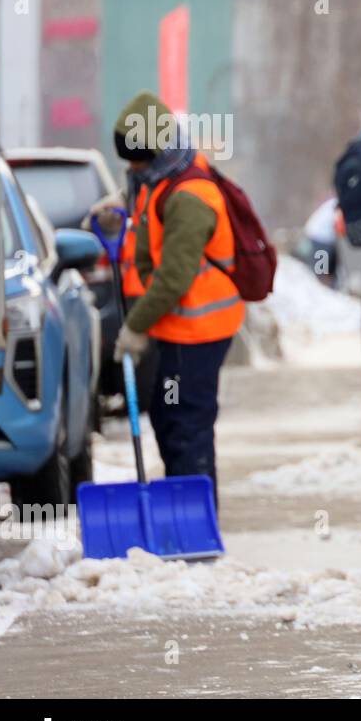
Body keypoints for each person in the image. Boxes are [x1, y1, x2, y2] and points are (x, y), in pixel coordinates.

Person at [107, 90, 244, 497]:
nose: (130, 168)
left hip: (200, 329)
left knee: (187, 425)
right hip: (180, 327)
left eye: (134, 158)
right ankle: (183, 510)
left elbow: (174, 276)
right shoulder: (164, 179)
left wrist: (134, 326)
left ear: (151, 150)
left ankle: (197, 526)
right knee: (169, 418)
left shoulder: (190, 195)